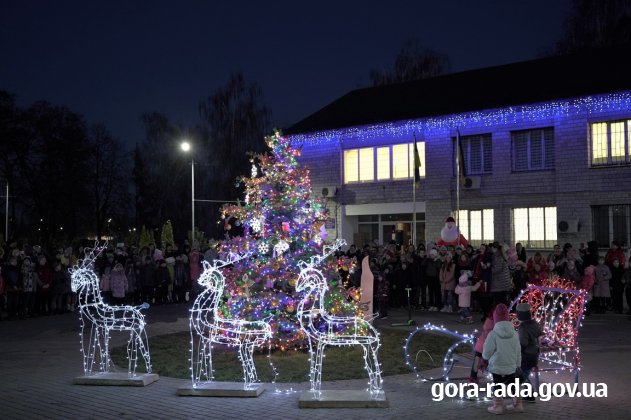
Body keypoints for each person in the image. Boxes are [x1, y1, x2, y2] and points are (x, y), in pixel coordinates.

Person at [482, 303, 522, 414]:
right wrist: (518, 364)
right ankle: (518, 404)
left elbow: (487, 351)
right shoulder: (514, 334)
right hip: (511, 365)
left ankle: (498, 407)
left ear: (496, 319)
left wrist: (485, 358)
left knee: (498, 384)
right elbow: (518, 350)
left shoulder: (493, 334)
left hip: (497, 365)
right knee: (512, 383)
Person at [516, 302, 543, 402]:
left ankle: (529, 395)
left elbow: (523, 342)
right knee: (524, 375)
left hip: (526, 355)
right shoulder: (534, 324)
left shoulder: (523, 328)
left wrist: (518, 349)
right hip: (534, 354)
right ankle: (529, 395)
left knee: (521, 376)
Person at [469, 308, 494, 383]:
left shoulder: (488, 321)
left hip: (479, 347)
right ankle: (483, 366)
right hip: (487, 349)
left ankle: (472, 378)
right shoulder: (497, 324)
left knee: (477, 359)